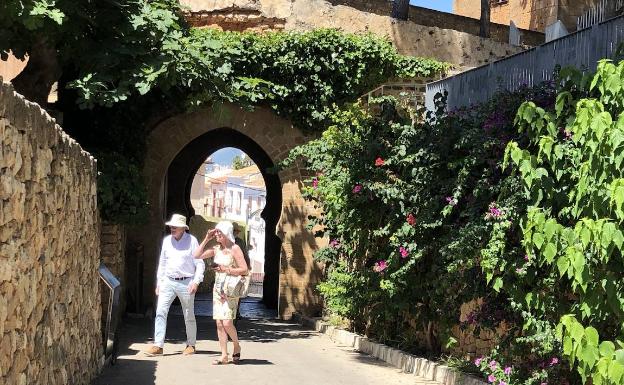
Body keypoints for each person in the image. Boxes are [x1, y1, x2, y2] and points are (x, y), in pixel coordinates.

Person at [144, 214, 205, 356]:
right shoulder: (166, 241)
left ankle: (191, 344)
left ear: (183, 228)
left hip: (186, 282)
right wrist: (159, 282)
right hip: (168, 281)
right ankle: (158, 345)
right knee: (160, 312)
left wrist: (196, 281)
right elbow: (163, 263)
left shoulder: (192, 241)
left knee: (188, 314)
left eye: (175, 227)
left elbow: (200, 263)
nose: (172, 228)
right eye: (171, 226)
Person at [193, 220, 248, 364]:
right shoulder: (216, 248)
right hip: (217, 290)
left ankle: (236, 345)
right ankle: (224, 355)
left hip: (230, 290)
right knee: (219, 323)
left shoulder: (235, 248)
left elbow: (244, 269)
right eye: (216, 232)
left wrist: (226, 269)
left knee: (227, 322)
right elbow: (196, 255)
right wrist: (207, 238)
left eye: (219, 232)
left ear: (226, 233)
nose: (216, 234)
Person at [233, 222, 250, 320]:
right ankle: (233, 312)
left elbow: (245, 254)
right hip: (229, 269)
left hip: (238, 269)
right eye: (234, 231)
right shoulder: (225, 241)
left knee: (237, 291)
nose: (235, 233)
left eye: (236, 231)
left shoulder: (240, 242)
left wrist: (247, 266)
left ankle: (236, 311)